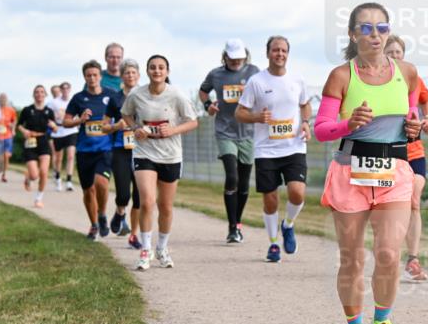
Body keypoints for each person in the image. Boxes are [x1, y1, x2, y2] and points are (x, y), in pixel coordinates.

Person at [314, 2, 421, 324]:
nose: (375, 35)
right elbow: (321, 130)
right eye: (366, 28)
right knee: (352, 259)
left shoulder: (407, 72)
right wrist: (350, 124)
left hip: (394, 171)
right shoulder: (341, 76)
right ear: (352, 34)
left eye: (381, 27)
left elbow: (412, 116)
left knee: (390, 254)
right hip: (350, 173)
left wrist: (415, 127)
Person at [117, 54, 199, 270]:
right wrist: (136, 128)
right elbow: (125, 114)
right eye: (153, 67)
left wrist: (172, 130)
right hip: (145, 153)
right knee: (147, 201)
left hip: (171, 155)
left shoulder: (177, 95)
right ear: (147, 71)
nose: (157, 71)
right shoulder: (137, 94)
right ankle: (146, 250)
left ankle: (162, 247)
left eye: (161, 68)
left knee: (166, 206)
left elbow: (193, 122)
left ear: (167, 71)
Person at [235, 36, 312, 262]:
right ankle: (273, 243)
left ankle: (288, 225)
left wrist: (306, 122)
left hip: (294, 146)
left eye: (284, 50)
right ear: (267, 53)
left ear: (288, 54)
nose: (280, 54)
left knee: (297, 193)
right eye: (276, 50)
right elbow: (239, 113)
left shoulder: (297, 80)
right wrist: (257, 116)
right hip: (266, 150)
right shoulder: (256, 82)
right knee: (270, 198)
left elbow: (305, 105)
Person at [199, 39, 260, 243]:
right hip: (225, 131)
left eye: (239, 58)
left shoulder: (254, 72)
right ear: (225, 56)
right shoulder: (216, 74)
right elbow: (203, 90)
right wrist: (208, 105)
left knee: (243, 183)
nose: (236, 62)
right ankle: (232, 227)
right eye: (232, 58)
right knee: (232, 177)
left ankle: (238, 222)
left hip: (249, 133)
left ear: (245, 56)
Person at [384, 35, 428, 282]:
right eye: (390, 52)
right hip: (389, 153)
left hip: (414, 152)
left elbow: (425, 99)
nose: (394, 56)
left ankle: (413, 259)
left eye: (398, 52)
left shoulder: (414, 78)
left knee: (414, 198)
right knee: (392, 206)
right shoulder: (377, 82)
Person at [63, 61, 117, 240]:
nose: (92, 78)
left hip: (105, 149)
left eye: (95, 75)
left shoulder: (111, 96)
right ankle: (94, 224)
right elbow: (66, 121)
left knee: (101, 182)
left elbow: (122, 116)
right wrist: (80, 120)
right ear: (84, 77)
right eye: (88, 75)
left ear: (100, 76)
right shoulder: (79, 98)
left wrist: (115, 126)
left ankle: (102, 214)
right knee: (88, 191)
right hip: (84, 150)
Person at [103, 59, 143, 247]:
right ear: (121, 76)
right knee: (123, 195)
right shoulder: (115, 99)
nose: (130, 76)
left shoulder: (146, 96)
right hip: (120, 150)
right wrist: (116, 126)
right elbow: (103, 127)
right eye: (127, 72)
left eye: (133, 72)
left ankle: (134, 235)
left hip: (142, 149)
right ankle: (120, 213)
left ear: (139, 76)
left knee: (139, 196)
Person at [17, 85, 58, 208]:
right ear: (33, 95)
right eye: (37, 92)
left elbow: (55, 129)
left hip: (43, 140)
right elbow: (19, 125)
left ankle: (38, 198)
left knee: (44, 172)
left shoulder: (49, 112)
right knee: (35, 175)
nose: (39, 94)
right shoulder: (27, 110)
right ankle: (28, 177)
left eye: (41, 92)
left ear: (45, 95)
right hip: (30, 141)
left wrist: (54, 126)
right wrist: (24, 131)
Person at [49, 81, 78, 191]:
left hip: (71, 131)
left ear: (70, 89)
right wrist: (51, 122)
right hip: (58, 131)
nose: (65, 90)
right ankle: (57, 178)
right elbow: (47, 115)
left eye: (67, 88)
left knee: (71, 156)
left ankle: (69, 181)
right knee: (58, 158)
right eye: (63, 88)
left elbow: (79, 114)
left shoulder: (74, 101)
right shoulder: (53, 103)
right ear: (60, 90)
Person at [0, 93, 17, 182]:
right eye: (1, 98)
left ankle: (4, 175)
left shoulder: (11, 110)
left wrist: (13, 128)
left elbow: (14, 121)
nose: (3, 100)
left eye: (4, 98)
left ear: (6, 100)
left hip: (8, 135)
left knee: (6, 156)